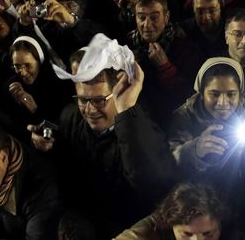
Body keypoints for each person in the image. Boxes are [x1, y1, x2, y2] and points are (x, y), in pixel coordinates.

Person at [30, 34, 176, 239]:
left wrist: (126, 109)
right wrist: (47, 145)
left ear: (120, 88)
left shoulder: (142, 128)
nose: (89, 110)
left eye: (99, 100)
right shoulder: (70, 117)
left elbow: (151, 182)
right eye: (82, 99)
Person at [169, 57, 245, 233]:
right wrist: (194, 150)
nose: (222, 103)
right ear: (202, 92)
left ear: (240, 93)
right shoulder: (184, 117)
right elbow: (168, 161)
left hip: (243, 192)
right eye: (214, 94)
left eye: (231, 94)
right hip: (200, 200)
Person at [115, 183, 243, 240]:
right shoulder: (156, 226)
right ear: (171, 226)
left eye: (207, 233)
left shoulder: (235, 232)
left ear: (220, 225)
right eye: (187, 234)